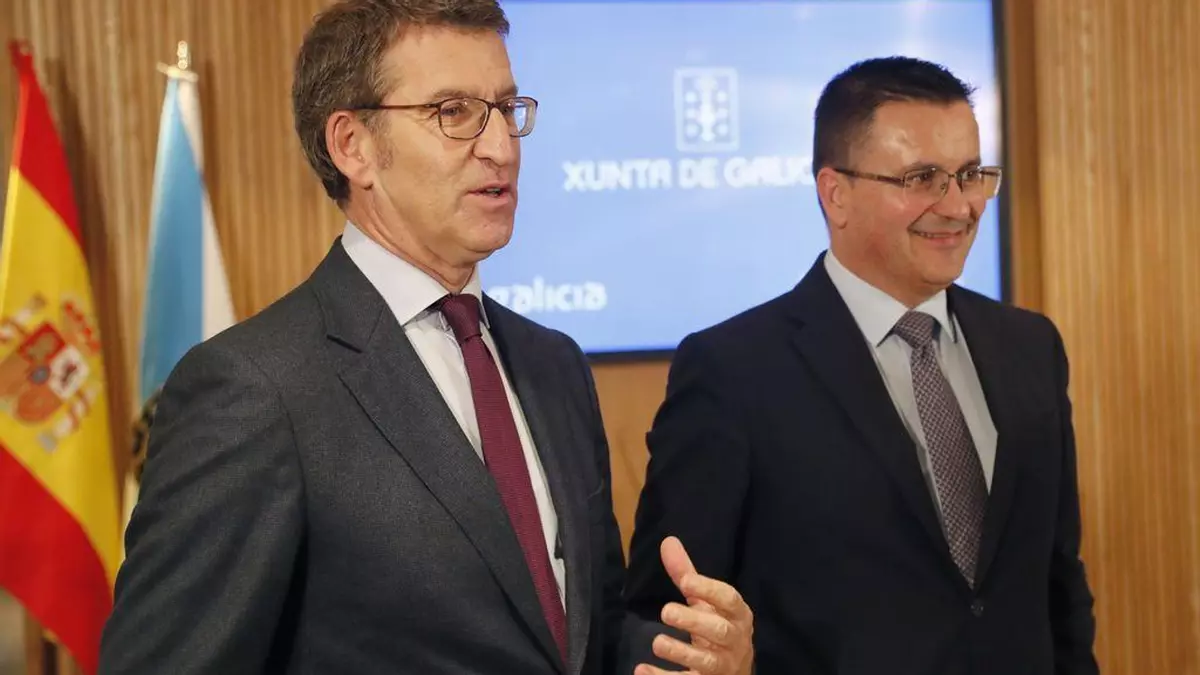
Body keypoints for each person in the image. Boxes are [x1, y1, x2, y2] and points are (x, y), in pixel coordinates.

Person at [97, 1, 754, 674]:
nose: (501, 147)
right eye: (454, 112)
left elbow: (584, 640)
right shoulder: (256, 390)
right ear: (353, 146)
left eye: (505, 108)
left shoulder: (554, 364)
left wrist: (689, 656)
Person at [623, 56, 1099, 675]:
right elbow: (669, 616)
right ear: (836, 194)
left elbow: (1060, 589)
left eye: (970, 174)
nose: (959, 206)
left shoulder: (1031, 348)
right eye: (923, 178)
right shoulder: (731, 373)